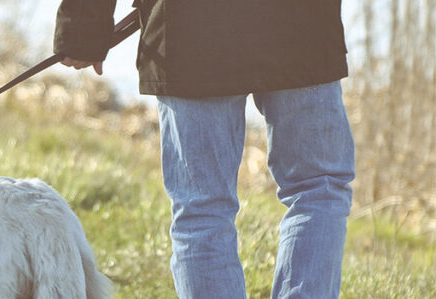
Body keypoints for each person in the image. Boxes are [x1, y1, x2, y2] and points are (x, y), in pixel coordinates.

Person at [54, 0, 356, 298]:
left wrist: (83, 24)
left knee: (203, 209)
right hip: (300, 24)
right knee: (318, 188)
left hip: (190, 28)